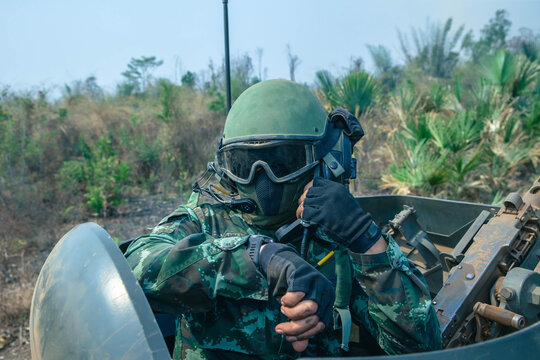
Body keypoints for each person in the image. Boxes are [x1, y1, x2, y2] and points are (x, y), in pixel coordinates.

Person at [125, 79, 442, 359]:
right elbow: (136, 268)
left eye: (282, 161)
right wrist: (255, 258)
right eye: (244, 163)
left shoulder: (339, 234)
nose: (261, 178)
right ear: (226, 165)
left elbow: (421, 346)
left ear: (325, 158)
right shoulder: (206, 220)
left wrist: (367, 240)